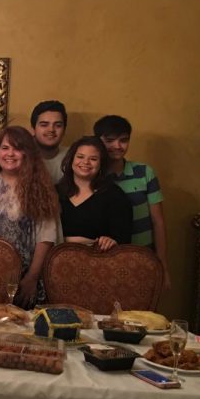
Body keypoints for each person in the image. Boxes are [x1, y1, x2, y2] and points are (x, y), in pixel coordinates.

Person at [0, 126, 60, 307]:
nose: (10, 154)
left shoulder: (39, 187)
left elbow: (46, 237)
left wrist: (32, 278)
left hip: (23, 277)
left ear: (27, 153)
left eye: (17, 148)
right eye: (5, 148)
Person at [93, 115, 170, 288]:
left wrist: (162, 265)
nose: (117, 146)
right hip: (105, 260)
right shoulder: (92, 177)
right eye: (110, 140)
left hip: (143, 257)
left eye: (123, 140)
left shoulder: (144, 172)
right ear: (98, 141)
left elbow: (158, 222)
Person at [57, 136, 132, 250]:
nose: (85, 162)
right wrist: (70, 240)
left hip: (101, 262)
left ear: (101, 164)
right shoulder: (54, 193)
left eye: (93, 159)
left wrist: (111, 241)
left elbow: (123, 239)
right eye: (80, 157)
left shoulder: (115, 195)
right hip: (57, 262)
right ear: (71, 159)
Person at [30, 100, 68, 183]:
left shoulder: (73, 157)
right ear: (33, 129)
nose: (51, 130)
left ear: (64, 130)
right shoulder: (19, 157)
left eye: (58, 125)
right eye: (44, 125)